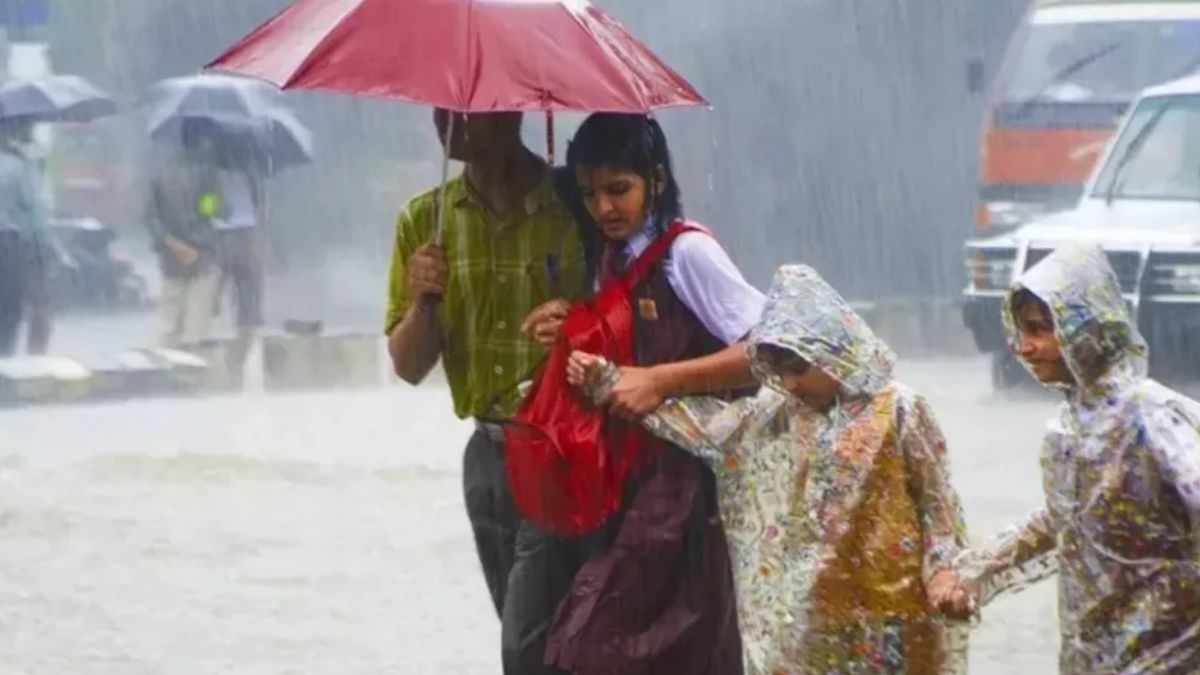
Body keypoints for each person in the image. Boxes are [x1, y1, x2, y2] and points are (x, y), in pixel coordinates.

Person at [569, 264, 973, 674]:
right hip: (810, 625)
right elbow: (700, 426)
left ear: (830, 350)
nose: (792, 383)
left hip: (896, 620)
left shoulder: (900, 410)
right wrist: (607, 381)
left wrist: (945, 573)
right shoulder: (772, 417)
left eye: (799, 368)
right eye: (779, 371)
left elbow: (939, 506)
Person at [518, 112, 765, 674]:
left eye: (619, 189)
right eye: (589, 193)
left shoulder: (688, 254)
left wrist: (660, 381)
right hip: (626, 484)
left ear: (656, 180)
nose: (604, 208)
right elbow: (618, 356)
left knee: (608, 645)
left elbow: (767, 354)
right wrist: (570, 328)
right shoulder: (611, 258)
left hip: (691, 493)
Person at [383, 109, 589, 674]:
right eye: (438, 110)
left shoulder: (575, 204)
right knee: (530, 632)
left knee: (527, 646)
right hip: (487, 456)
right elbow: (407, 365)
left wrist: (578, 326)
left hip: (561, 449)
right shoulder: (425, 220)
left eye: (462, 111)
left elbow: (623, 319)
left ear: (511, 109)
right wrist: (424, 301)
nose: (444, 124)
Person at [955, 244, 1200, 674]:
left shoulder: (1150, 416)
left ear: (1084, 329)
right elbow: (1066, 519)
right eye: (1020, 332)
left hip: (1168, 650)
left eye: (1039, 330)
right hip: (1091, 650)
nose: (1024, 348)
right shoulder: (1067, 428)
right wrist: (979, 569)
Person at [145, 122, 222, 347]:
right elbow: (210, 212)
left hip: (170, 257)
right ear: (202, 142)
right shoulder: (209, 174)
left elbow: (150, 217)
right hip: (202, 255)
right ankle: (192, 371)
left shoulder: (159, 175)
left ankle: (166, 371)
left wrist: (171, 242)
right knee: (195, 325)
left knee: (168, 323)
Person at [0, 118, 53, 356]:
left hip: (16, 238)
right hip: (15, 240)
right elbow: (31, 202)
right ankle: (8, 351)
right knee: (14, 300)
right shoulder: (18, 165)